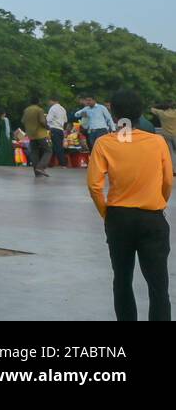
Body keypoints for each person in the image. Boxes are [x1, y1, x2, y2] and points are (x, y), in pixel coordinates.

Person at [87, 90, 172, 321]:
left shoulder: (104, 143)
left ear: (114, 115)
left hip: (119, 219)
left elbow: (95, 186)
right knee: (158, 286)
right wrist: (159, 204)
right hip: (152, 218)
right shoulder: (158, 142)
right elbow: (167, 180)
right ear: (140, 112)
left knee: (122, 280)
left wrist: (108, 213)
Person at [20, 101, 51, 177]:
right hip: (40, 134)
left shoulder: (26, 110)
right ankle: (41, 167)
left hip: (31, 135)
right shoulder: (39, 110)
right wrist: (47, 127)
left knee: (34, 152)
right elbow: (42, 121)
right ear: (38, 102)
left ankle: (37, 172)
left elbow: (23, 121)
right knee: (48, 150)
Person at [149, 103, 176, 173]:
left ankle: (173, 169)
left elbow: (151, 109)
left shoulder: (161, 113)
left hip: (166, 135)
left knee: (170, 153)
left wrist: (158, 106)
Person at [47, 97, 69, 168]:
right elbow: (65, 121)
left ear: (52, 101)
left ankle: (63, 164)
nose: (49, 103)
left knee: (57, 147)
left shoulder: (53, 108)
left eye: (49, 101)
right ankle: (50, 163)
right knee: (56, 146)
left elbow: (48, 119)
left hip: (54, 129)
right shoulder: (63, 109)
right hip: (60, 130)